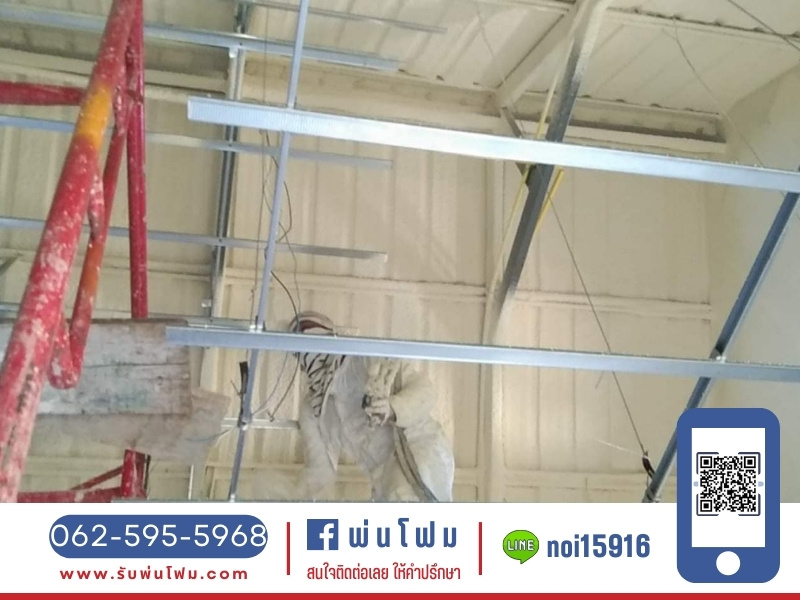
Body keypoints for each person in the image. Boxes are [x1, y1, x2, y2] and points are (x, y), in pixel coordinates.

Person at [288, 311, 455, 502]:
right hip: (383, 478)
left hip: (418, 448)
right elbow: (319, 470)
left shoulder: (366, 357)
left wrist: (393, 408)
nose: (310, 349)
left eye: (312, 333)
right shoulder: (313, 409)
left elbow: (426, 391)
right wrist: (293, 500)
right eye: (300, 341)